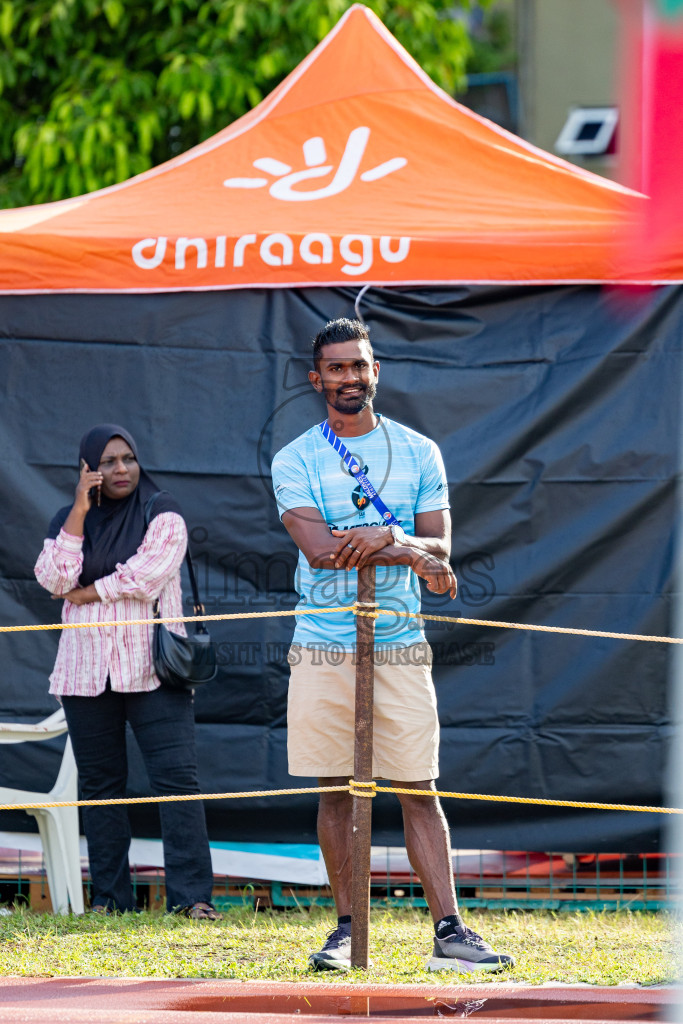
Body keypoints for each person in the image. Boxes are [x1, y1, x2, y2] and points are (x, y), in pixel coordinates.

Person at [271, 318, 514, 973]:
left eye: (360, 365)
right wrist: (398, 541)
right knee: (333, 793)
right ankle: (347, 929)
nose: (350, 377)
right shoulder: (294, 457)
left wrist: (392, 544)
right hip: (323, 642)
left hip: (401, 642)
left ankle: (450, 934)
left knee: (418, 789)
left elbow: (441, 546)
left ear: (376, 370)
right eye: (337, 367)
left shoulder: (417, 451)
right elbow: (321, 554)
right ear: (315, 377)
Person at [34, 424, 218, 918]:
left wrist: (89, 592)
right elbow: (53, 578)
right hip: (85, 672)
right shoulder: (67, 519)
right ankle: (109, 900)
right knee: (100, 788)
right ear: (87, 469)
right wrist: (78, 509)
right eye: (107, 462)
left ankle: (192, 898)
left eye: (128, 459)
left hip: (154, 669)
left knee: (177, 781)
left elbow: (149, 572)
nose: (120, 470)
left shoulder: (162, 510)